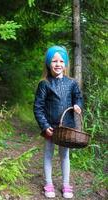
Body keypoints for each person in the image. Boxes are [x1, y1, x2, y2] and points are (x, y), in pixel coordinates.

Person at [33, 45, 83, 198]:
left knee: (64, 155)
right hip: (50, 127)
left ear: (65, 64)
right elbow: (38, 107)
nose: (58, 64)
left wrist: (77, 106)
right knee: (48, 154)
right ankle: (49, 183)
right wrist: (45, 125)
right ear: (49, 63)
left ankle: (66, 184)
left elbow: (78, 98)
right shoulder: (45, 84)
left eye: (61, 61)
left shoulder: (72, 83)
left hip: (66, 127)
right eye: (54, 61)